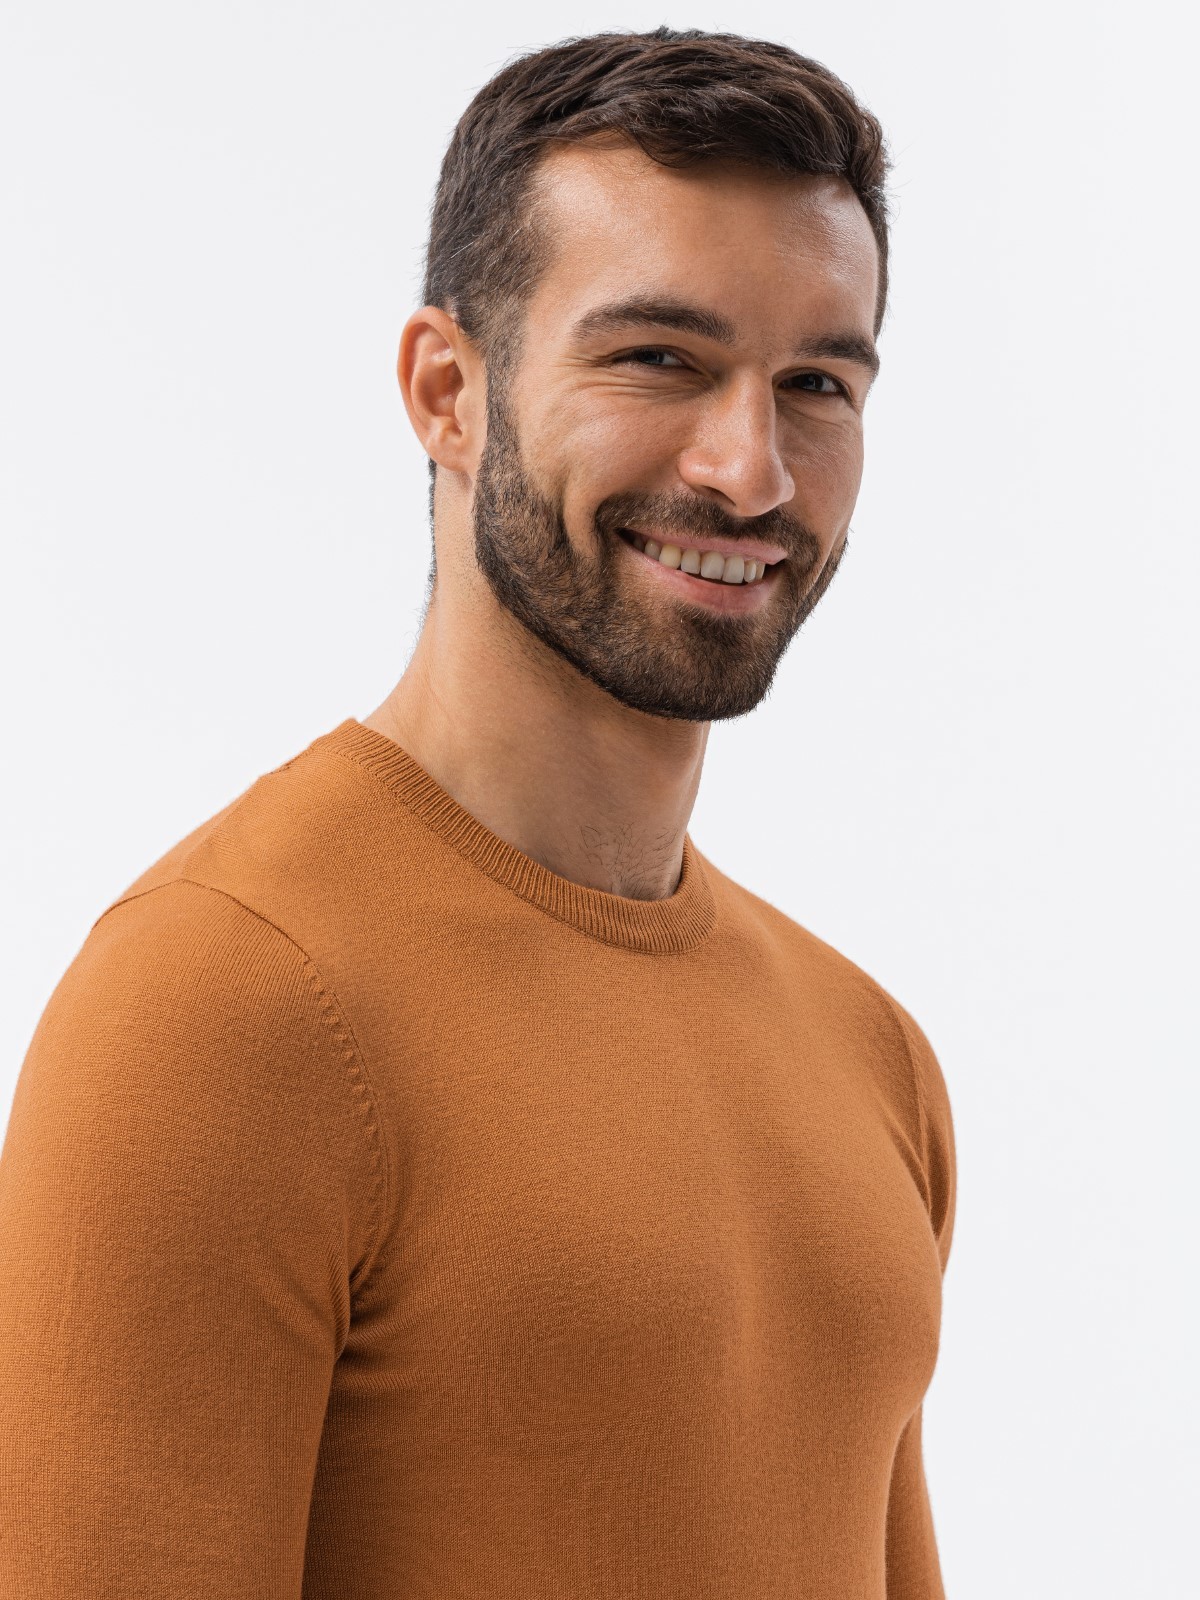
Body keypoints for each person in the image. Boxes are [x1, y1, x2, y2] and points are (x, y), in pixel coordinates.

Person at [0, 26, 958, 1598]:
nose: (751, 469)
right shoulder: (218, 1005)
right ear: (448, 391)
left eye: (816, 385)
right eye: (657, 359)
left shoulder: (872, 1055)